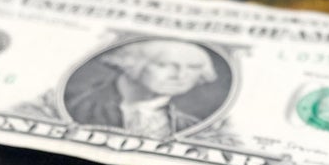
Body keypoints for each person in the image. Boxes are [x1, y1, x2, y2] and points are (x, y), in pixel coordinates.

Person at [63, 39, 228, 137]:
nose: (180, 75)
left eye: (193, 67)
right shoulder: (77, 107)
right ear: (130, 64)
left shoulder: (190, 125)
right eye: (165, 65)